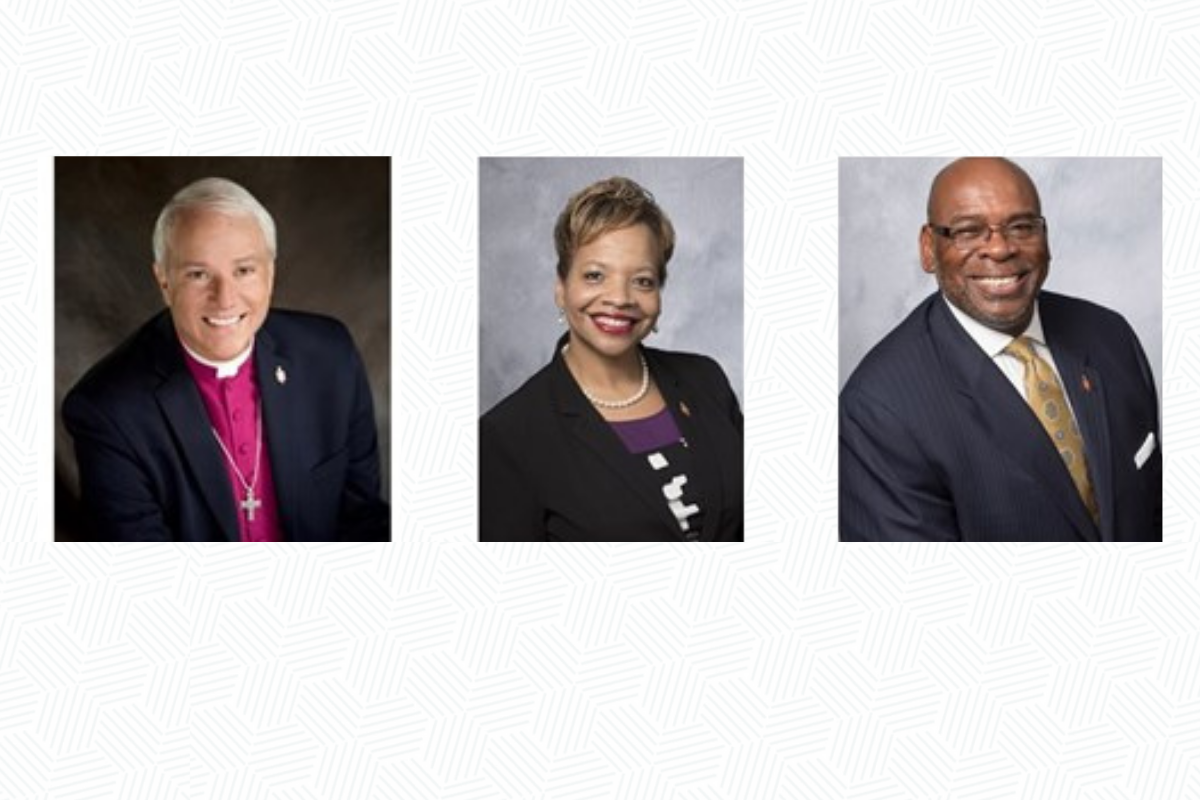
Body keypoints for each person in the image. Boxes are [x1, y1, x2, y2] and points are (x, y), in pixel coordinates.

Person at [840, 157, 1161, 542]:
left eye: (1021, 226)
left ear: (1046, 237)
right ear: (929, 248)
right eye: (968, 231)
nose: (1000, 248)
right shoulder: (878, 411)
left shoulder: (1110, 336)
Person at [62, 177, 389, 541]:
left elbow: (364, 523)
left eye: (244, 270)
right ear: (164, 281)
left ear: (271, 273)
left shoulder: (330, 356)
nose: (225, 298)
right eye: (198, 275)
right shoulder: (108, 410)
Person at [479, 176, 743, 541]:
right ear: (561, 287)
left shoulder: (706, 380)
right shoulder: (507, 436)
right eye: (595, 275)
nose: (620, 297)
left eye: (643, 281)